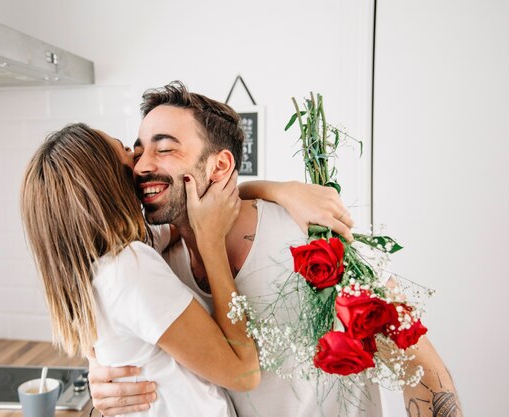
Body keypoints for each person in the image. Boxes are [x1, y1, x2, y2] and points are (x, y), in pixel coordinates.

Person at [88, 81, 462, 417]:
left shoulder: (313, 238)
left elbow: (426, 373)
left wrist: (281, 192)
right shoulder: (156, 269)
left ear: (220, 166)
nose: (141, 166)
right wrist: (101, 377)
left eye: (164, 149)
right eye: (138, 152)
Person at [20, 123, 261, 417]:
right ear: (106, 179)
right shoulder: (129, 268)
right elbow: (244, 375)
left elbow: (188, 217)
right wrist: (211, 247)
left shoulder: (103, 263)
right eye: (125, 150)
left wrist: (275, 191)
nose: (138, 159)